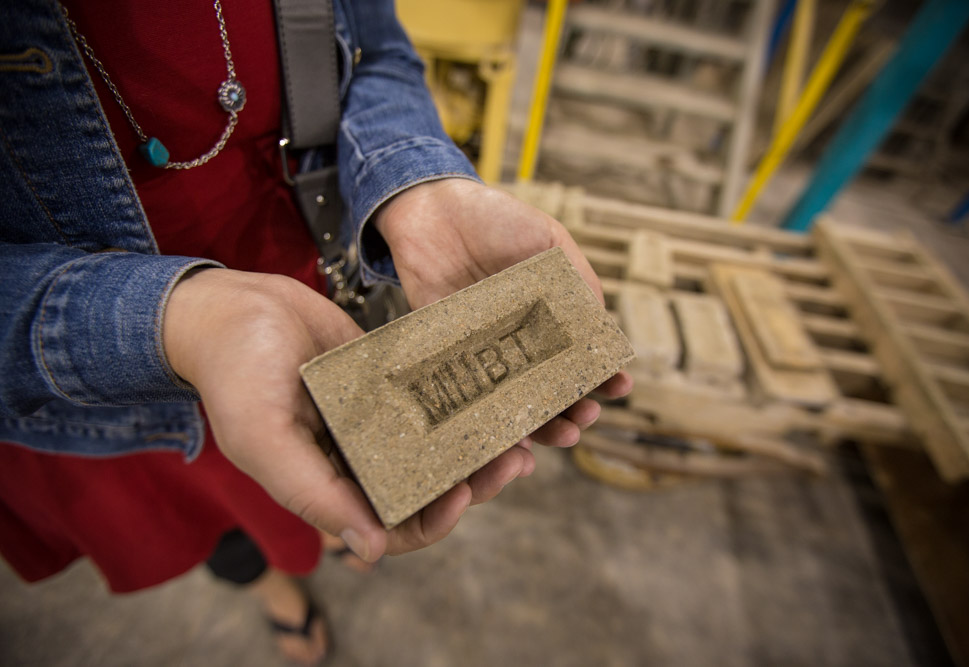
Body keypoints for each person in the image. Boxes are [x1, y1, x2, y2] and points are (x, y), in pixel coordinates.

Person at [0, 1, 631, 664]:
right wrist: (176, 321)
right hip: (96, 359)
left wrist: (416, 183)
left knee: (329, 469)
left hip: (302, 283)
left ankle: (330, 531)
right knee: (201, 512)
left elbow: (375, 53)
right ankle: (272, 590)